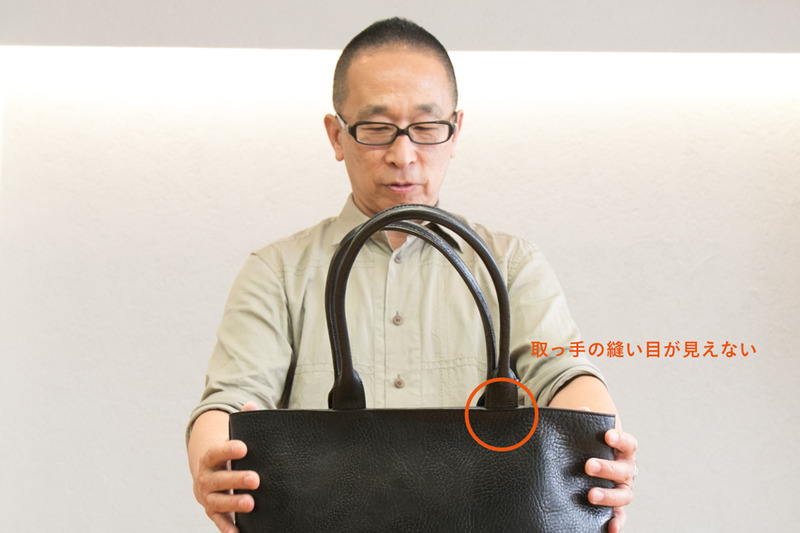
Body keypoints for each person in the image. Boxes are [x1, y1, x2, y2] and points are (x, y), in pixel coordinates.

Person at [187, 17, 637, 533]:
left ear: (455, 131)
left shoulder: (511, 265)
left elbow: (565, 375)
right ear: (337, 135)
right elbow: (229, 400)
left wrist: (598, 446)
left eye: (426, 128)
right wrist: (212, 460)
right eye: (377, 129)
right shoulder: (277, 272)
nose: (403, 156)